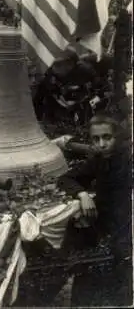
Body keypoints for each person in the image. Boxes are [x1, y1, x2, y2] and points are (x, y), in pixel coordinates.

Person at [57, 113, 133, 307]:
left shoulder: (127, 161)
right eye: (96, 139)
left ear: (118, 137)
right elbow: (66, 179)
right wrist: (82, 195)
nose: (101, 144)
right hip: (105, 226)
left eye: (107, 137)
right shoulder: (98, 160)